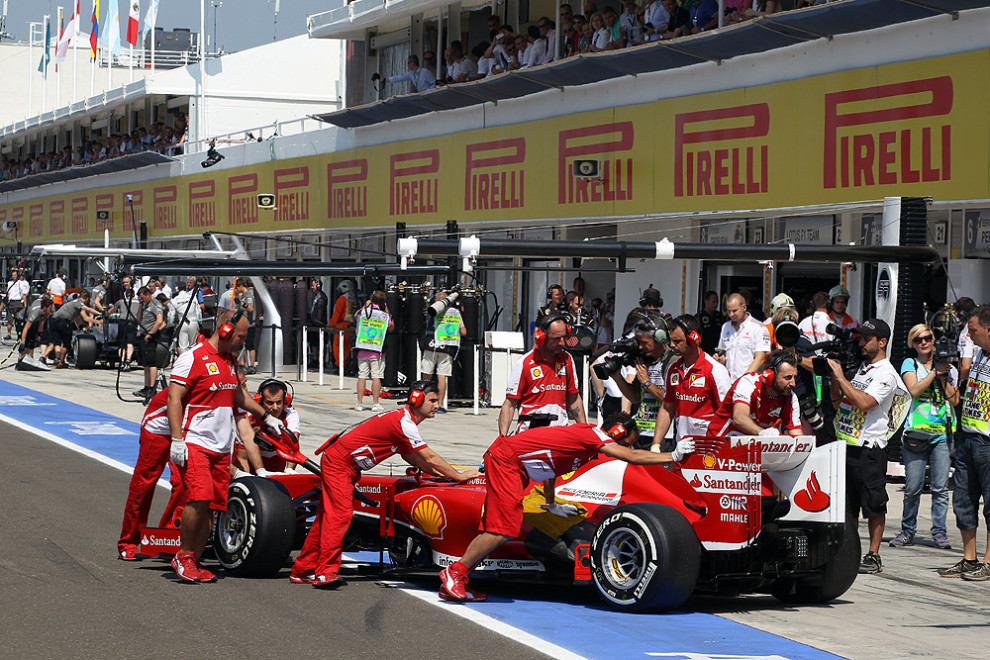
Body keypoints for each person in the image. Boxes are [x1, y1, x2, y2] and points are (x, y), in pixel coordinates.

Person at [437, 411, 695, 602]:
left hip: (515, 465)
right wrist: (672, 455)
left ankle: (462, 576)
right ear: (616, 432)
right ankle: (455, 573)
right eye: (626, 441)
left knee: (502, 526)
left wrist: (551, 504)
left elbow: (549, 469)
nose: (625, 447)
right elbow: (632, 456)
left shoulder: (583, 449)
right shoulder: (590, 436)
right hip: (507, 462)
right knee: (503, 528)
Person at [291, 381, 479, 588]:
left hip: (342, 464)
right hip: (339, 465)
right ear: (416, 399)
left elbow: (416, 459)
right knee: (340, 515)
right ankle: (325, 572)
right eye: (433, 400)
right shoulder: (404, 424)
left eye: (438, 400)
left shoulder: (403, 421)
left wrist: (443, 476)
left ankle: (303, 569)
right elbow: (430, 457)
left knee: (326, 518)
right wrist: (458, 476)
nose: (437, 405)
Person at [166, 310, 280, 583]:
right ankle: (182, 555)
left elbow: (238, 396)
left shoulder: (230, 362)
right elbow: (174, 398)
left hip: (221, 449)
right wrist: (177, 438)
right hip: (195, 443)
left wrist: (267, 417)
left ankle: (193, 558)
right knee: (199, 499)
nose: (244, 341)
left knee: (213, 506)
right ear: (226, 331)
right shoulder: (191, 358)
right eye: (240, 336)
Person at [829, 319, 909, 575]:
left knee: (874, 503)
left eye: (866, 339)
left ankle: (873, 555)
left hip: (870, 448)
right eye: (860, 338)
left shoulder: (886, 373)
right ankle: (849, 551)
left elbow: (864, 403)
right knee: (849, 504)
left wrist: (841, 376)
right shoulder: (862, 369)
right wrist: (835, 377)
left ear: (882, 342)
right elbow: (838, 402)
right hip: (848, 444)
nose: (861, 343)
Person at [890, 324, 958, 550]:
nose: (924, 342)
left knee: (940, 489)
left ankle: (940, 533)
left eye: (927, 338)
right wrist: (933, 373)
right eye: (918, 340)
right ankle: (907, 531)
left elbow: (954, 399)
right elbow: (914, 390)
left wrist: (943, 375)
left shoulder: (947, 366)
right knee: (912, 487)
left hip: (941, 435)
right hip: (915, 434)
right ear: (913, 344)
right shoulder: (910, 363)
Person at [938, 306, 990, 581]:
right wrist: (943, 375)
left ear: (988, 329)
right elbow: (957, 398)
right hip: (967, 435)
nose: (969, 335)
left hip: (988, 441)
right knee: (963, 502)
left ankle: (988, 562)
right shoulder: (980, 355)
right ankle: (969, 560)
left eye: (973, 330)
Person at [116, 388, 188, 560]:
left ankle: (168, 539)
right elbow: (174, 398)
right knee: (144, 483)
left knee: (184, 484)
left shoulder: (231, 377)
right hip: (160, 422)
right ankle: (128, 542)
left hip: (187, 425)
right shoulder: (193, 365)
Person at [653, 315, 732, 452]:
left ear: (693, 339)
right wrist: (656, 444)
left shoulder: (715, 370)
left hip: (710, 450)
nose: (672, 345)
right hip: (681, 450)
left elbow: (727, 412)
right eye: (671, 341)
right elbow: (667, 407)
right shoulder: (673, 370)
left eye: (677, 341)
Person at [499, 315, 586, 435]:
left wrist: (585, 432)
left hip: (560, 434)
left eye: (564, 337)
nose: (562, 342)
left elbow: (574, 399)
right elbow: (510, 404)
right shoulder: (524, 363)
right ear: (542, 338)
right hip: (530, 436)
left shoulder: (567, 360)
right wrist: (502, 438)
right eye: (556, 338)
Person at [610, 315, 673, 450]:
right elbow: (635, 397)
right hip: (641, 434)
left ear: (659, 338)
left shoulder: (673, 361)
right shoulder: (644, 360)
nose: (640, 346)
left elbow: (669, 398)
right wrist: (617, 376)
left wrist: (646, 382)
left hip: (665, 437)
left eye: (644, 342)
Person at [709, 350, 802, 437]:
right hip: (720, 442)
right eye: (788, 378)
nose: (793, 383)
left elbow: (796, 433)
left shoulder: (790, 397)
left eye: (795, 377)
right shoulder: (748, 383)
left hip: (752, 444)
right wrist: (762, 432)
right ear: (770, 376)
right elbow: (739, 418)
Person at [234, 379, 301, 475]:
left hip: (277, 461)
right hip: (249, 461)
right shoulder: (248, 417)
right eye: (270, 403)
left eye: (279, 402)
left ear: (285, 400)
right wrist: (246, 478)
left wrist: (289, 470)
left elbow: (294, 445)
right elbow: (241, 456)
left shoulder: (290, 414)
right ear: (260, 401)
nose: (275, 408)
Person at [421, 290, 467, 414]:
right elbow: (463, 332)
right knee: (442, 376)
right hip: (448, 346)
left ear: (436, 301)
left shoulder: (433, 310)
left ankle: (425, 401)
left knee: (427, 375)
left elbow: (426, 323)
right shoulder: (455, 312)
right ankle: (439, 405)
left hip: (432, 344)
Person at [354, 290, 393, 412]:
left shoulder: (363, 312)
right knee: (376, 377)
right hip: (377, 351)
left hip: (362, 349)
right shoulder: (383, 315)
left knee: (362, 376)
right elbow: (391, 327)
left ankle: (359, 403)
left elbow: (356, 316)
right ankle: (375, 403)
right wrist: (386, 310)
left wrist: (366, 305)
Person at [717, 292, 771, 380]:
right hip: (728, 382)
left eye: (734, 311)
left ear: (744, 307)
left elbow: (760, 358)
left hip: (750, 383)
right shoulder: (725, 327)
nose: (731, 314)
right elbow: (722, 353)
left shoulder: (758, 327)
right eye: (729, 311)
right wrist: (720, 358)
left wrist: (743, 380)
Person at [48, 290, 100, 368]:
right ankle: (61, 361)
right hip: (64, 321)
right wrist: (101, 313)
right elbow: (88, 310)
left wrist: (81, 327)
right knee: (67, 342)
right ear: (87, 299)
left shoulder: (72, 304)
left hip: (54, 321)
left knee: (57, 341)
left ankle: (57, 359)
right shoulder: (79, 302)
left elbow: (77, 318)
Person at [134, 286, 165, 399]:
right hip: (143, 334)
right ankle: (146, 387)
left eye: (142, 298)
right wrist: (141, 306)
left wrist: (151, 333)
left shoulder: (155, 305)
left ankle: (152, 388)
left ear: (148, 294)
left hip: (151, 336)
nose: (141, 300)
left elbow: (159, 320)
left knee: (151, 363)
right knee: (145, 363)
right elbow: (138, 320)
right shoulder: (146, 305)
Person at [329, 280, 357, 374]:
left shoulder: (342, 299)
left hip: (341, 325)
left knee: (338, 347)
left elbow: (337, 313)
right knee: (348, 347)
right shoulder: (353, 298)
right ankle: (347, 365)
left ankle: (340, 366)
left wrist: (331, 325)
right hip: (351, 326)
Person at [168, 280, 202, 356]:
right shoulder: (192, 297)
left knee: (183, 347)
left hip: (182, 323)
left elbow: (171, 317)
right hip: (193, 322)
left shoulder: (174, 300)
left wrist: (170, 326)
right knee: (193, 346)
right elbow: (198, 312)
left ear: (177, 289)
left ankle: (185, 365)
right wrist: (200, 323)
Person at [17, 296, 53, 363]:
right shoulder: (36, 312)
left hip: (33, 321)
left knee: (32, 340)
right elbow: (25, 329)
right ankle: (21, 357)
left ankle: (28, 357)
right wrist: (23, 343)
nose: (51, 310)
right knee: (26, 340)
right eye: (50, 308)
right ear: (45, 308)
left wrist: (39, 335)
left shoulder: (46, 314)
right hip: (21, 319)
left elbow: (41, 324)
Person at [308, 279, 329, 371]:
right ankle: (315, 359)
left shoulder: (321, 297)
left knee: (318, 342)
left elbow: (320, 310)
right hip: (314, 323)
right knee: (313, 342)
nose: (312, 287)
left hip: (318, 324)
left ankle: (318, 360)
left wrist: (317, 321)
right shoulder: (315, 296)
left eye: (313, 285)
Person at [697, 290, 724, 354]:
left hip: (717, 352)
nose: (716, 305)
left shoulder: (719, 316)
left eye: (717, 302)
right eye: (713, 302)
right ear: (706, 302)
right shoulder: (699, 317)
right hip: (704, 351)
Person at [6, 269, 29, 340]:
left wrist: (24, 304)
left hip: (18, 302)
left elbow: (24, 293)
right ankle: (9, 334)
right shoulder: (9, 283)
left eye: (15, 275)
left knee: (18, 320)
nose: (14, 276)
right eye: (12, 275)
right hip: (11, 302)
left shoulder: (21, 283)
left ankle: (19, 335)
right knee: (9, 319)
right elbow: (8, 293)